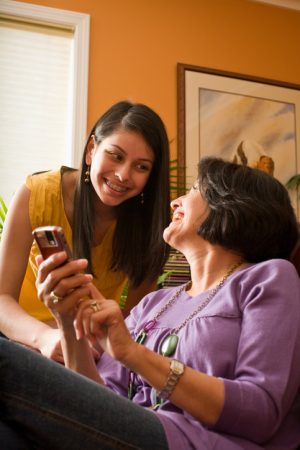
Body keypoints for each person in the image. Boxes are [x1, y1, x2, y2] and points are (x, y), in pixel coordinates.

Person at [1, 156, 300, 450]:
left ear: (231, 204)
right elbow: (95, 400)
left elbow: (261, 411)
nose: (175, 203)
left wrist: (134, 354)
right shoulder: (153, 303)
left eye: (194, 190)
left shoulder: (268, 278)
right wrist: (68, 320)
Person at [0, 100, 171, 363]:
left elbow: (135, 320)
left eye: (141, 167)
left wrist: (87, 345)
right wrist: (46, 338)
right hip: (21, 337)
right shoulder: (38, 193)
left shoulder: (150, 225)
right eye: (116, 156)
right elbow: (1, 299)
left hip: (89, 350)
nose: (124, 175)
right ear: (92, 149)